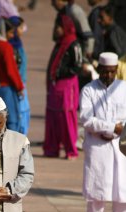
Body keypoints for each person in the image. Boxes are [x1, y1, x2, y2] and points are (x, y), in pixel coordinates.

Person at [79, 52, 126, 212]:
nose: (108, 75)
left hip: (121, 147)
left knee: (122, 195)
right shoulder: (89, 90)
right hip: (97, 147)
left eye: (111, 71)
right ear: (99, 70)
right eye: (104, 71)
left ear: (116, 70)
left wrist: (119, 129)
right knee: (96, 195)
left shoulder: (124, 88)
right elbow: (86, 118)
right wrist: (109, 127)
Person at [43, 14, 82, 159]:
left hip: (67, 86)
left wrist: (60, 73)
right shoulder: (60, 43)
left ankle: (70, 150)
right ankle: (52, 148)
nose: (56, 29)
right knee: (53, 116)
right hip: (55, 85)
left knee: (66, 116)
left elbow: (76, 67)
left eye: (58, 26)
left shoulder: (73, 44)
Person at [0, 18, 24, 132]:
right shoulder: (5, 47)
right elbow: (11, 71)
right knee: (12, 120)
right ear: (3, 32)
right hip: (6, 88)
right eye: (10, 32)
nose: (12, 36)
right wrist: (20, 87)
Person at [8, 15, 30, 135]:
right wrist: (19, 86)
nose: (23, 30)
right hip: (17, 87)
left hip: (21, 84)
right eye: (21, 28)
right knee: (19, 114)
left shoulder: (18, 44)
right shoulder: (11, 47)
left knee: (24, 113)